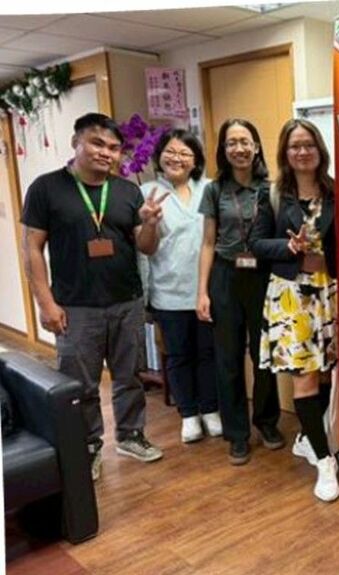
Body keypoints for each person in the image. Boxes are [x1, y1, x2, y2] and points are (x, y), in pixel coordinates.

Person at [20, 112, 165, 481]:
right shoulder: (46, 189)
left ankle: (130, 435)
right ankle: (88, 445)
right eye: (97, 143)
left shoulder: (127, 191)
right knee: (80, 384)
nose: (106, 153)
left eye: (114, 148)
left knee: (130, 375)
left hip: (126, 301)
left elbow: (146, 247)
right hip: (75, 307)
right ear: (77, 143)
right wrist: (46, 303)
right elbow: (32, 248)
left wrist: (150, 224)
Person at [250, 118, 339, 502]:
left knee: (325, 372)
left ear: (320, 149)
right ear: (285, 153)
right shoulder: (272, 194)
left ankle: (307, 436)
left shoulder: (337, 191)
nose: (302, 152)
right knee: (304, 377)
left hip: (330, 291)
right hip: (291, 295)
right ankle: (324, 461)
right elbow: (255, 243)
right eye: (294, 146)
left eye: (308, 145)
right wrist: (287, 248)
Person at [197, 118, 283, 466]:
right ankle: (237, 433)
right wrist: (202, 293)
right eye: (231, 142)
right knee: (228, 358)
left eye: (245, 141)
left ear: (256, 146)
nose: (239, 148)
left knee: (264, 355)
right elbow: (207, 242)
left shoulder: (271, 189)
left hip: (262, 276)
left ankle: (267, 421)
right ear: (223, 149)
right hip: (225, 276)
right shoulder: (214, 190)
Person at [139, 129, 221, 444]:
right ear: (159, 156)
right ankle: (188, 414)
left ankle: (210, 409)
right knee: (178, 355)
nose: (177, 158)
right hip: (168, 292)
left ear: (196, 160)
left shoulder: (210, 188)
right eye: (170, 152)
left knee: (208, 353)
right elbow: (146, 247)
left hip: (206, 290)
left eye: (185, 153)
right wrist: (149, 222)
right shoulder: (147, 192)